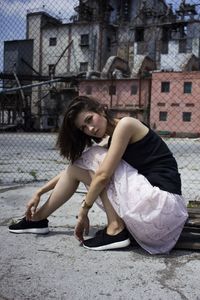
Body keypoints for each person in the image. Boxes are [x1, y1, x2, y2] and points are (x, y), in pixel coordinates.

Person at [9, 95, 188, 254]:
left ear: (102, 110)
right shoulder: (114, 139)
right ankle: (37, 219)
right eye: (84, 128)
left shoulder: (126, 124)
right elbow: (72, 171)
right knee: (88, 160)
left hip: (161, 207)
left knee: (95, 159)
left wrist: (84, 210)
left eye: (90, 119)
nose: (90, 129)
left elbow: (102, 176)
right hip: (158, 217)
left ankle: (115, 228)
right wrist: (39, 191)